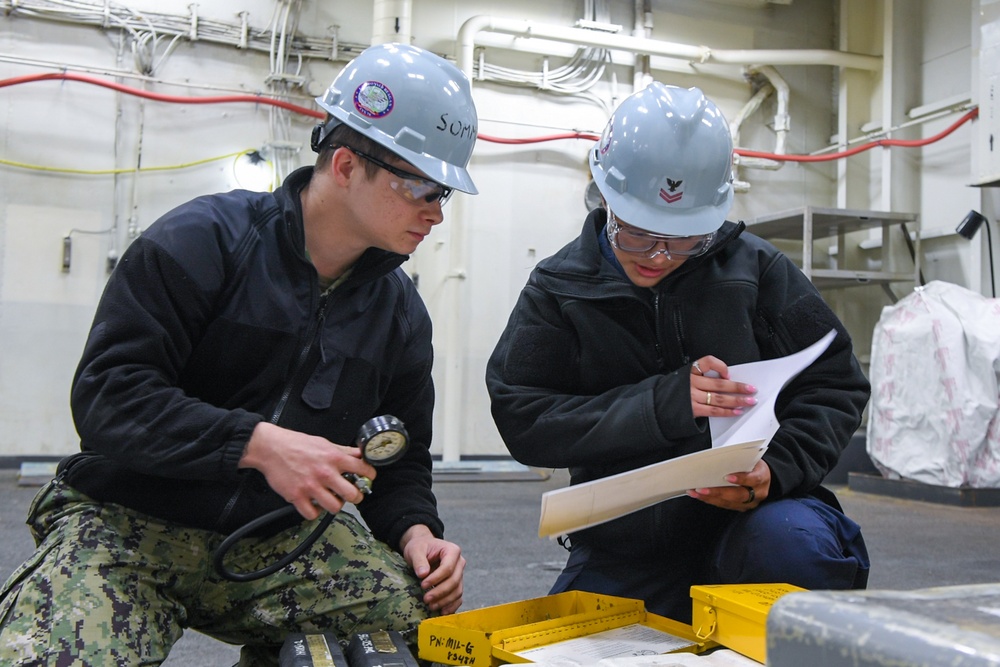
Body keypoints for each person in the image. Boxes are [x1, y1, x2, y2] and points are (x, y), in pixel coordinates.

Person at [0, 42, 478, 666]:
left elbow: (399, 460)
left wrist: (416, 532)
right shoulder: (202, 242)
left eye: (445, 194)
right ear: (344, 164)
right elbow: (109, 396)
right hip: (128, 521)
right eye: (420, 188)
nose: (436, 214)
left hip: (274, 540)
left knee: (417, 624)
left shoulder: (401, 316)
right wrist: (257, 444)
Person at [485, 82, 870, 624]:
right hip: (628, 541)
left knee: (793, 546)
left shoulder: (758, 271)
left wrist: (777, 470)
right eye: (638, 235)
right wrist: (665, 403)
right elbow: (524, 417)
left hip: (760, 523)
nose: (660, 257)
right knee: (559, 646)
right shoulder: (559, 288)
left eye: (685, 238)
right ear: (602, 199)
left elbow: (835, 384)